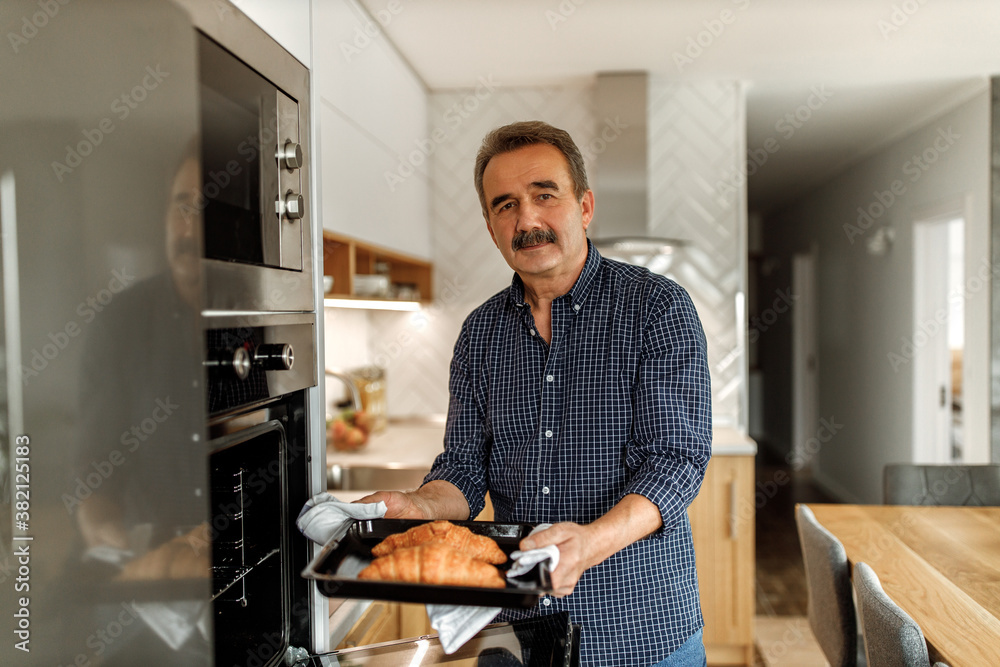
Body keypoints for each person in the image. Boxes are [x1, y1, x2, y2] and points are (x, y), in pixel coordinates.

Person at [359, 121, 712, 666]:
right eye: (505, 205)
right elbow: (463, 469)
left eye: (544, 195)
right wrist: (418, 504)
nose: (527, 220)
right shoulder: (480, 334)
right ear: (490, 225)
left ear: (584, 206)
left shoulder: (657, 309)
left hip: (640, 629)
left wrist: (590, 543)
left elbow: (676, 463)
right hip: (515, 632)